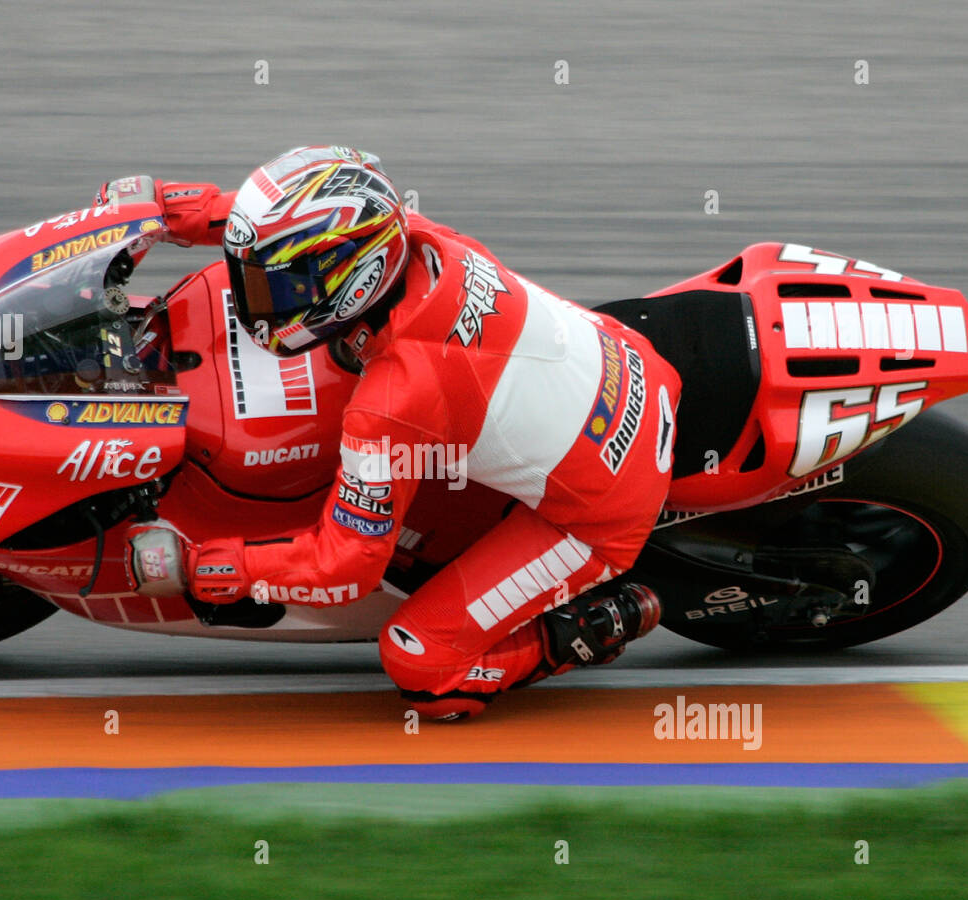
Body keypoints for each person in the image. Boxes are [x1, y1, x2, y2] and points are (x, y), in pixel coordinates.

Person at [124, 145, 681, 721]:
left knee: (421, 664)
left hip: (598, 512)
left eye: (274, 286)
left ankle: (586, 626)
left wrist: (212, 567)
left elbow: (345, 568)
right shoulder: (417, 240)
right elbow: (306, 221)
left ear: (354, 282)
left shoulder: (393, 400)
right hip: (623, 359)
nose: (252, 300)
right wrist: (176, 213)